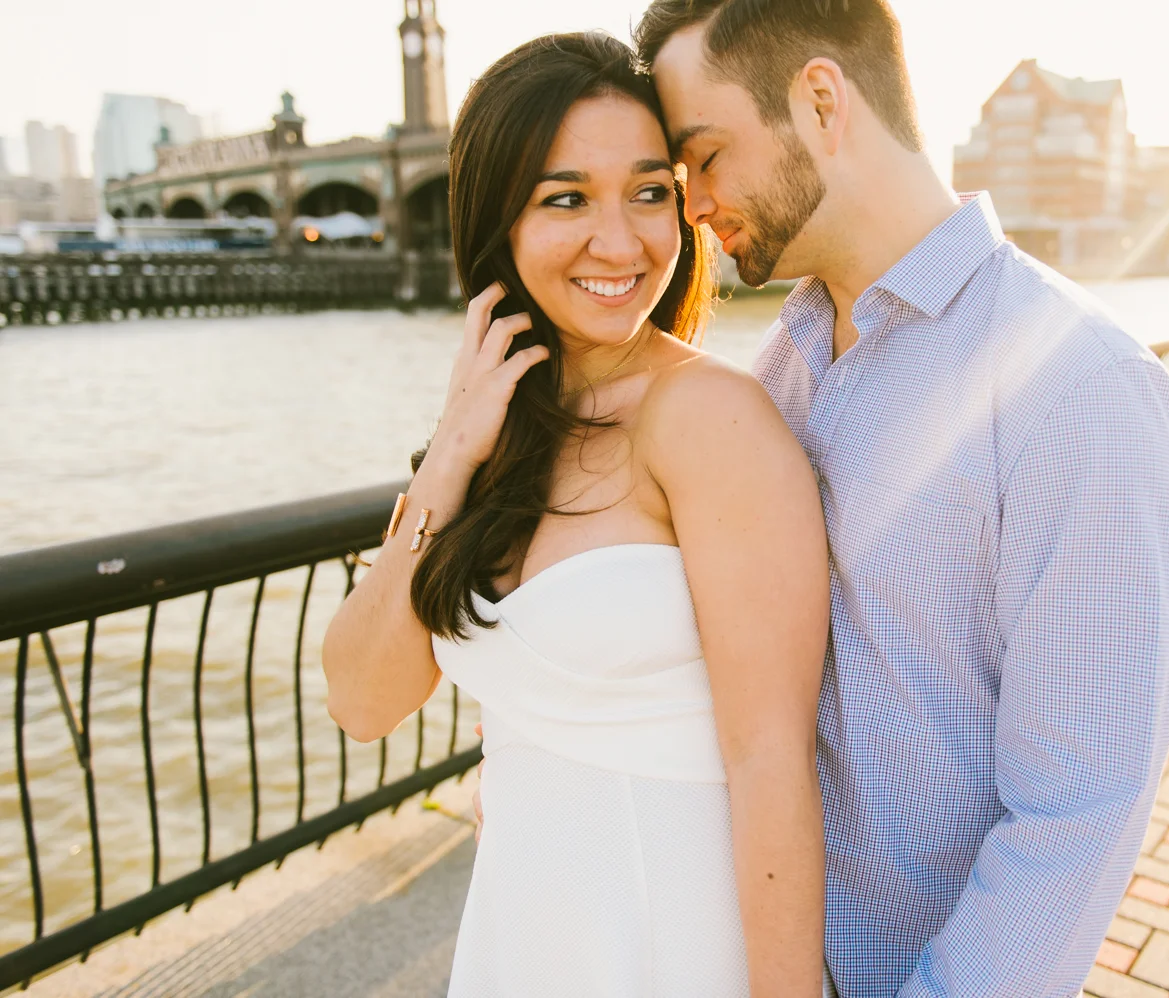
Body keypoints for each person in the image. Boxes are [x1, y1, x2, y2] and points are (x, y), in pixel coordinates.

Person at [634, 1, 1169, 995]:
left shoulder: (1082, 385)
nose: (694, 205)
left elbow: (1077, 817)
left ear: (820, 101)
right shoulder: (779, 371)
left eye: (706, 157)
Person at [321, 33, 830, 998]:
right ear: (498, 220)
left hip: (673, 949)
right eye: (566, 199)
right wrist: (451, 454)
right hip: (519, 944)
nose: (621, 242)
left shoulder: (710, 419)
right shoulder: (496, 430)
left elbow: (773, 766)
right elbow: (362, 700)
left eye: (648, 192)